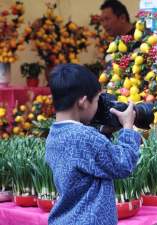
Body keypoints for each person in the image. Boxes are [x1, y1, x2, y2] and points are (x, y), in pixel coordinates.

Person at [45, 64, 141, 225]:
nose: (98, 107)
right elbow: (123, 164)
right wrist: (128, 128)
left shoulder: (54, 135)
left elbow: (89, 162)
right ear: (83, 101)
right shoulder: (85, 137)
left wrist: (105, 132)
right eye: (97, 100)